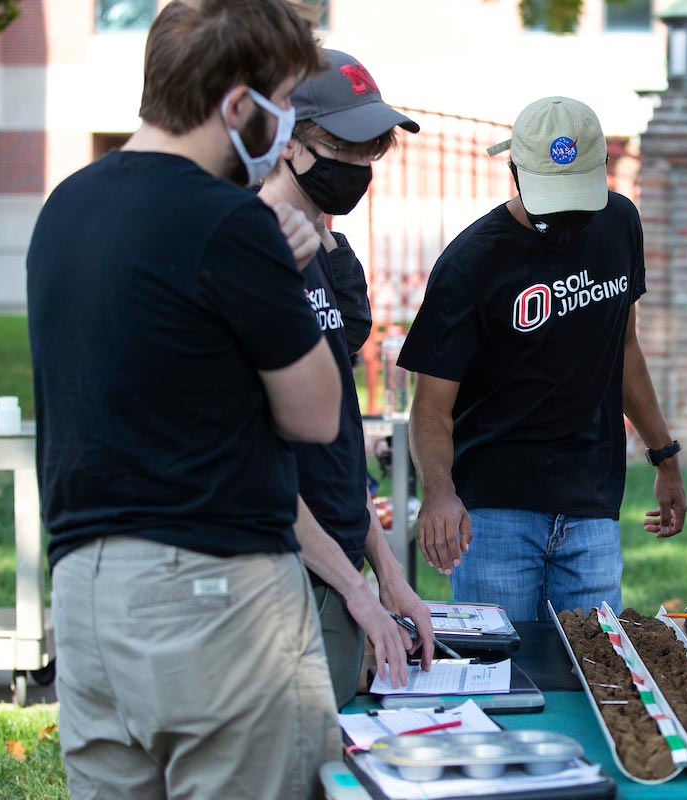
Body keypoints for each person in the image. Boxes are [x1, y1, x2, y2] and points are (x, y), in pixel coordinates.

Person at [26, 2, 342, 797]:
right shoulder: (232, 223)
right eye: (287, 105)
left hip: (87, 595)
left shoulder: (64, 206)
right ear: (240, 105)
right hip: (216, 596)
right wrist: (290, 272)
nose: (288, 133)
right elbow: (318, 414)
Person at [399, 96, 687, 621]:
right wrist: (439, 494)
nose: (568, 218)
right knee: (505, 676)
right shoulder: (471, 263)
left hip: (592, 503)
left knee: (601, 676)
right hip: (494, 512)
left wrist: (664, 457)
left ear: (602, 169)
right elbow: (430, 407)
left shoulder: (619, 223)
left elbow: (624, 349)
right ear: (515, 172)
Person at [257, 48, 433, 708]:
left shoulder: (330, 257)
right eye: (345, 146)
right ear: (291, 144)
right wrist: (357, 588)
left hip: (341, 563)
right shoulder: (255, 252)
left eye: (372, 149)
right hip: (288, 567)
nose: (361, 169)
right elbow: (260, 457)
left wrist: (386, 569)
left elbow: (336, 441)